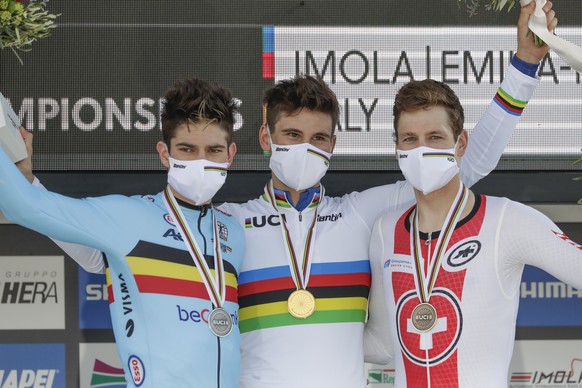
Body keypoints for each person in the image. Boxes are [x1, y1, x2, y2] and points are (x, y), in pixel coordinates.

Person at [13, 3, 558, 387]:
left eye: (318, 138)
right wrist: (25, 178)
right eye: (292, 136)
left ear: (334, 144)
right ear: (264, 139)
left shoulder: (365, 212)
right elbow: (98, 253)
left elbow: (468, 164)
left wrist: (525, 69)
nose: (305, 148)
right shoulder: (223, 222)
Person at [0, 78, 245, 388]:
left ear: (230, 154)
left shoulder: (235, 232)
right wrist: (24, 179)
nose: (200, 161)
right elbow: (27, 208)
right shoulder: (128, 217)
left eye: (213, 150)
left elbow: (93, 260)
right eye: (187, 149)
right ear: (164, 153)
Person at [363, 77, 582, 387]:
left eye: (435, 137)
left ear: (461, 143)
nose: (421, 150)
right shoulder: (386, 230)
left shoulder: (508, 220)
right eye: (410, 139)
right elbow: (383, 345)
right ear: (396, 149)